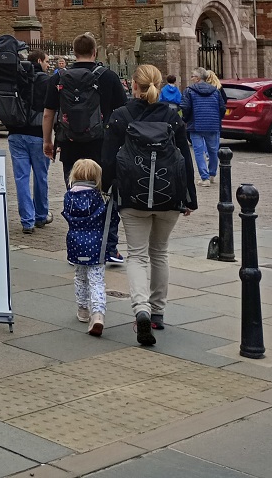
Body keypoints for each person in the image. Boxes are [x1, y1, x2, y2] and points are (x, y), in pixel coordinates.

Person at [102, 64, 198, 346]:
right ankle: (158, 313)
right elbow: (185, 158)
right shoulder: (172, 116)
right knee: (160, 253)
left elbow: (107, 159)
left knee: (137, 255)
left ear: (133, 85)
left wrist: (109, 188)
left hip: (132, 196)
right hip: (170, 196)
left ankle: (140, 309)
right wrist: (189, 197)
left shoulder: (120, 116)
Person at [43, 33, 127, 263]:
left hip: (69, 146)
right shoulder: (108, 77)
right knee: (107, 196)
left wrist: (47, 141)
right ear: (95, 52)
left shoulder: (58, 78)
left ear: (74, 51)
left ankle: (79, 248)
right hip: (103, 147)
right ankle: (109, 248)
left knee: (75, 196)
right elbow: (122, 113)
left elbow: (49, 113)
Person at [62, 159, 111, 337]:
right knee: (96, 280)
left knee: (80, 277)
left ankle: (82, 309)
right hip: (96, 244)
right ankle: (97, 313)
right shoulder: (99, 198)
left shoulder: (69, 197)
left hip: (75, 243)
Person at [8, 49, 53, 234]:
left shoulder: (18, 78)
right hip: (37, 134)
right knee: (40, 176)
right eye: (47, 61)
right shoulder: (46, 80)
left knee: (21, 178)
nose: (48, 64)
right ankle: (41, 216)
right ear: (40, 61)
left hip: (15, 134)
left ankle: (27, 221)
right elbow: (51, 111)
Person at [182, 67, 226, 186]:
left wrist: (185, 119)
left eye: (192, 76)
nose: (191, 78)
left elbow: (185, 107)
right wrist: (217, 119)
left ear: (197, 78)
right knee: (213, 150)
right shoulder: (215, 90)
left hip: (196, 125)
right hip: (213, 124)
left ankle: (204, 178)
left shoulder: (189, 91)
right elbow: (222, 107)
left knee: (199, 151)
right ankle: (212, 174)